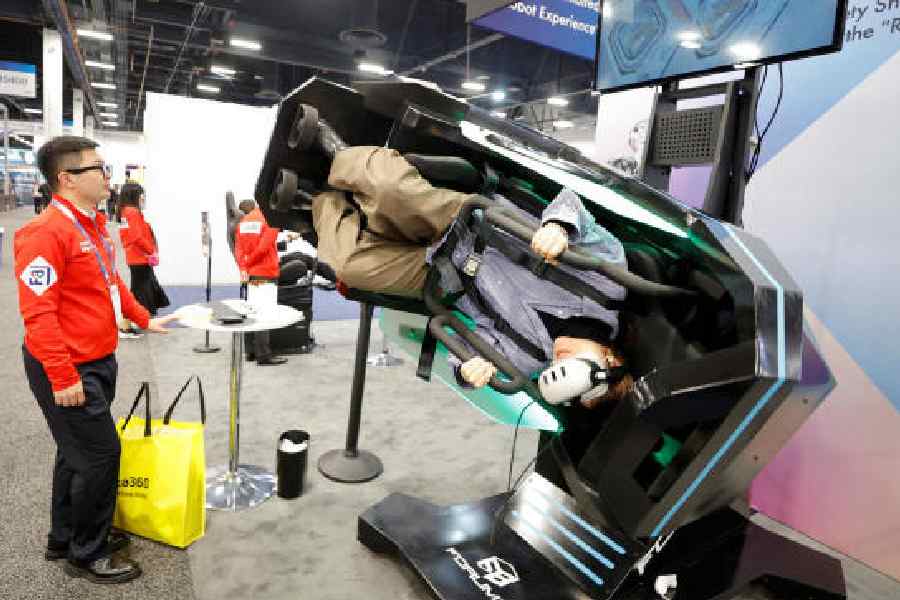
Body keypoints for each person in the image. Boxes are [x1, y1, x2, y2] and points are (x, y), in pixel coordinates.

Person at [295, 116, 633, 408]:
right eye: (574, 367)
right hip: (470, 224)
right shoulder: (607, 285)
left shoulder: (526, 360)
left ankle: (318, 200)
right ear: (610, 358)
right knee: (390, 191)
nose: (560, 363)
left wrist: (468, 372)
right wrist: (559, 227)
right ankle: (336, 150)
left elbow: (465, 359)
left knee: (352, 268)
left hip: (445, 277)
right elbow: (574, 205)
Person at [14, 136, 177, 584]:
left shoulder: (91, 225)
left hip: (97, 357)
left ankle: (63, 538)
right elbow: (37, 312)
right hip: (67, 366)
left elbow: (111, 284)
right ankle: (87, 553)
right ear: (66, 179)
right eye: (98, 169)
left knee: (76, 455)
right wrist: (63, 375)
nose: (109, 176)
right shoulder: (44, 233)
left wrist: (142, 318)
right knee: (102, 455)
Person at [234, 199, 300, 365]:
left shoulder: (242, 222)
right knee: (264, 314)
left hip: (251, 274)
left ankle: (251, 352)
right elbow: (264, 248)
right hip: (265, 272)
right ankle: (264, 355)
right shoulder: (270, 220)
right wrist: (251, 263)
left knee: (253, 312)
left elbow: (239, 249)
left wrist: (245, 267)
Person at [117, 183, 170, 330]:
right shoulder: (131, 212)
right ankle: (132, 322)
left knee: (141, 289)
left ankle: (133, 321)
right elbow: (137, 237)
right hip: (139, 257)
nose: (143, 199)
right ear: (135, 196)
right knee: (141, 291)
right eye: (142, 196)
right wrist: (151, 250)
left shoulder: (125, 212)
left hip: (136, 257)